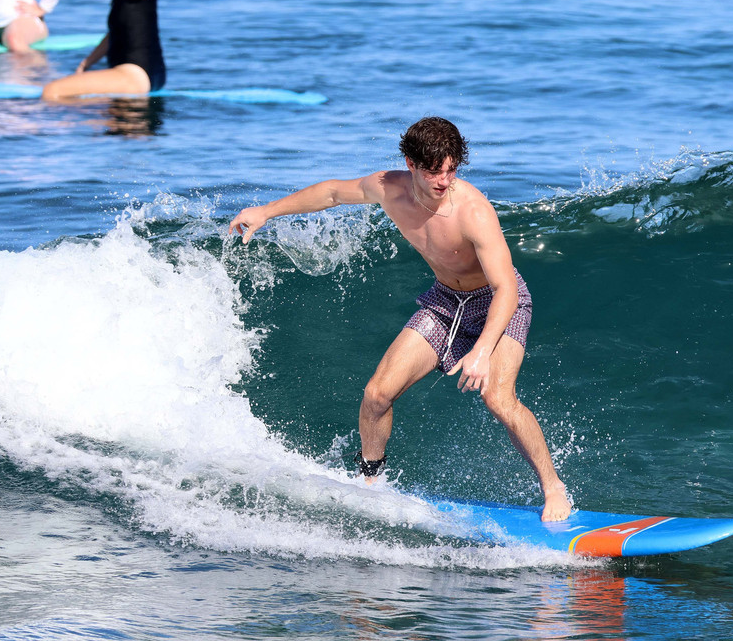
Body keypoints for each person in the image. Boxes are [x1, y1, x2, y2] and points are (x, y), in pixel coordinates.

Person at [228, 117, 573, 521]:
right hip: (446, 302)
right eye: (433, 171)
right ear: (410, 163)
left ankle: (553, 488)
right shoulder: (389, 189)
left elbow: (506, 290)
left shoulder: (473, 211)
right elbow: (333, 193)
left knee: (498, 397)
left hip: (497, 303)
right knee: (376, 395)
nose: (444, 181)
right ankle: (370, 483)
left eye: (451, 170)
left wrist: (481, 351)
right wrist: (267, 212)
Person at [41, 0, 165, 100]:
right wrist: (87, 63)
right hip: (145, 76)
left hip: (135, 74)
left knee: (52, 92)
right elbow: (114, 36)